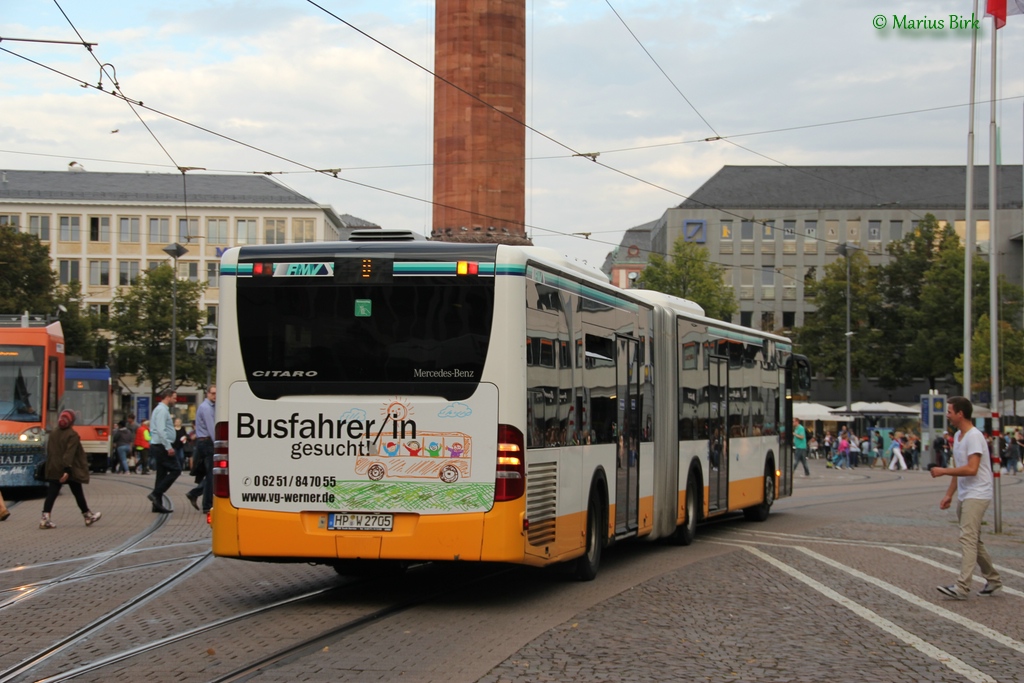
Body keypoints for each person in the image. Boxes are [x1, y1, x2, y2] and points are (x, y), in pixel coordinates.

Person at [930, 396, 1002, 599]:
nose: (947, 415)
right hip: (965, 494)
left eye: (950, 411)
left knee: (967, 539)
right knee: (974, 541)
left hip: (978, 494)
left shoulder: (973, 436)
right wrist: (949, 494)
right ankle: (994, 580)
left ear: (960, 413)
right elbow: (958, 471)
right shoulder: (959, 437)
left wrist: (943, 471)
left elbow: (971, 469)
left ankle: (962, 587)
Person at [39, 410, 101, 529]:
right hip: (67, 469)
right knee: (78, 493)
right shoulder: (72, 435)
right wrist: (67, 470)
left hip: (53, 468)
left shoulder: (53, 433)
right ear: (72, 421)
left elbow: (50, 451)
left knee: (51, 494)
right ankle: (87, 516)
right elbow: (69, 454)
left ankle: (45, 519)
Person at [147, 389, 180, 514]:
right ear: (167, 397)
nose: (175, 400)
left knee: (161, 474)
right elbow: (161, 430)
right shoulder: (162, 410)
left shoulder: (161, 409)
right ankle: (156, 494)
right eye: (174, 398)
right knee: (176, 470)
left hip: (159, 445)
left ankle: (157, 505)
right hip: (161, 446)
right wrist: (168, 447)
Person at [187, 385, 216, 514]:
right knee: (212, 474)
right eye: (213, 393)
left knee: (211, 473)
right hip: (207, 442)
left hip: (205, 442)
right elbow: (211, 427)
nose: (215, 396)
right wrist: (218, 443)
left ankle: (195, 493)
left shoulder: (211, 407)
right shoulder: (206, 408)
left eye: (216, 393)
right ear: (207, 394)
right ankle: (207, 504)